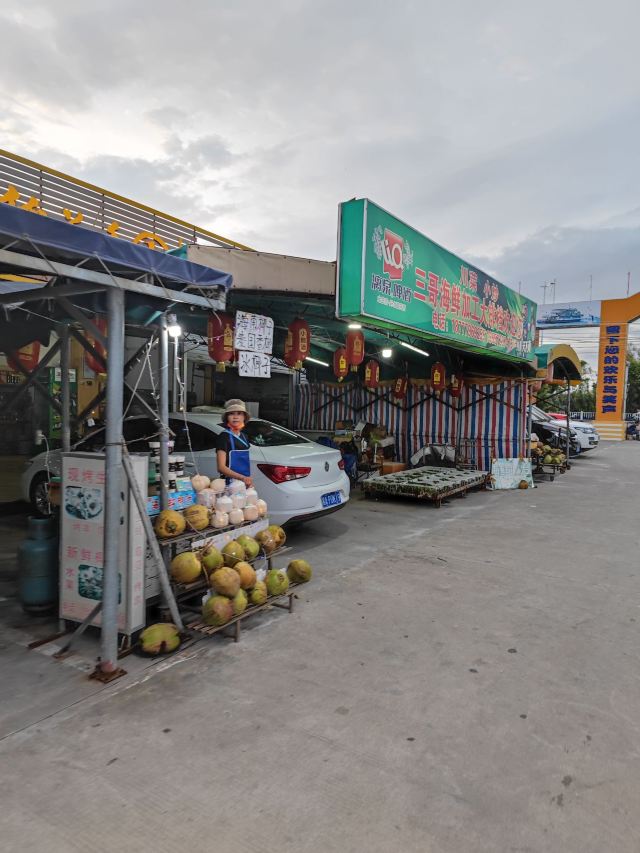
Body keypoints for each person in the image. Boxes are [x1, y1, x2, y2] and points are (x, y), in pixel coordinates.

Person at [216, 399, 253, 486]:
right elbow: (221, 467)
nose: (235, 417)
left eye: (239, 413)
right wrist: (242, 478)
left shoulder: (244, 436)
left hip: (243, 482)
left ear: (244, 417)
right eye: (231, 413)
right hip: (229, 483)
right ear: (227, 417)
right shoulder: (224, 437)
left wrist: (247, 480)